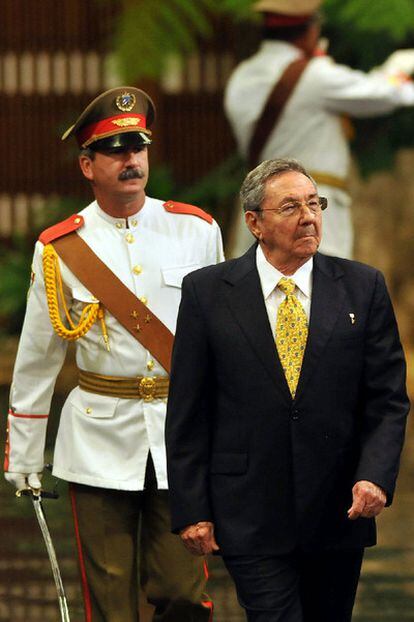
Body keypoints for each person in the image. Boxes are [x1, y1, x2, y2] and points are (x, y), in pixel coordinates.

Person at [4, 86, 224, 622]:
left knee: (181, 592)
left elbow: (222, 340)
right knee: (109, 599)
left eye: (138, 147)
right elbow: (37, 357)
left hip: (181, 437)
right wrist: (26, 458)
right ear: (87, 164)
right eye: (115, 150)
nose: (131, 160)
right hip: (99, 439)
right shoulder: (59, 248)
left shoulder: (195, 230)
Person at [165, 157, 409, 622]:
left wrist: (375, 475)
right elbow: (189, 410)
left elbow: (387, 399)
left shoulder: (362, 286)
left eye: (315, 204)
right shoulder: (208, 293)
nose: (309, 217)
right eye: (291, 206)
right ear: (255, 222)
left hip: (339, 508)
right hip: (248, 509)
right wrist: (192, 508)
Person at [224, 0, 414, 259]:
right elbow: (382, 94)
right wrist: (398, 68)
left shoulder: (241, 78)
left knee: (258, 291)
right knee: (322, 290)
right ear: (311, 30)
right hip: (311, 205)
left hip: (261, 204)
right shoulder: (316, 76)